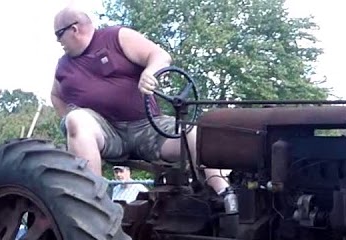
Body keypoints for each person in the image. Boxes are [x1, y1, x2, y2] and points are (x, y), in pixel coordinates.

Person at [49, 8, 230, 198]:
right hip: (108, 133)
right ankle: (94, 203)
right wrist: (75, 132)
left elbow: (160, 56)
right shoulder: (64, 66)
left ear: (74, 29)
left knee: (196, 135)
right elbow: (56, 96)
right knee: (77, 119)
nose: (58, 41)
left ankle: (225, 196)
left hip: (148, 127)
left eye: (59, 35)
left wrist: (150, 72)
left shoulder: (117, 37)